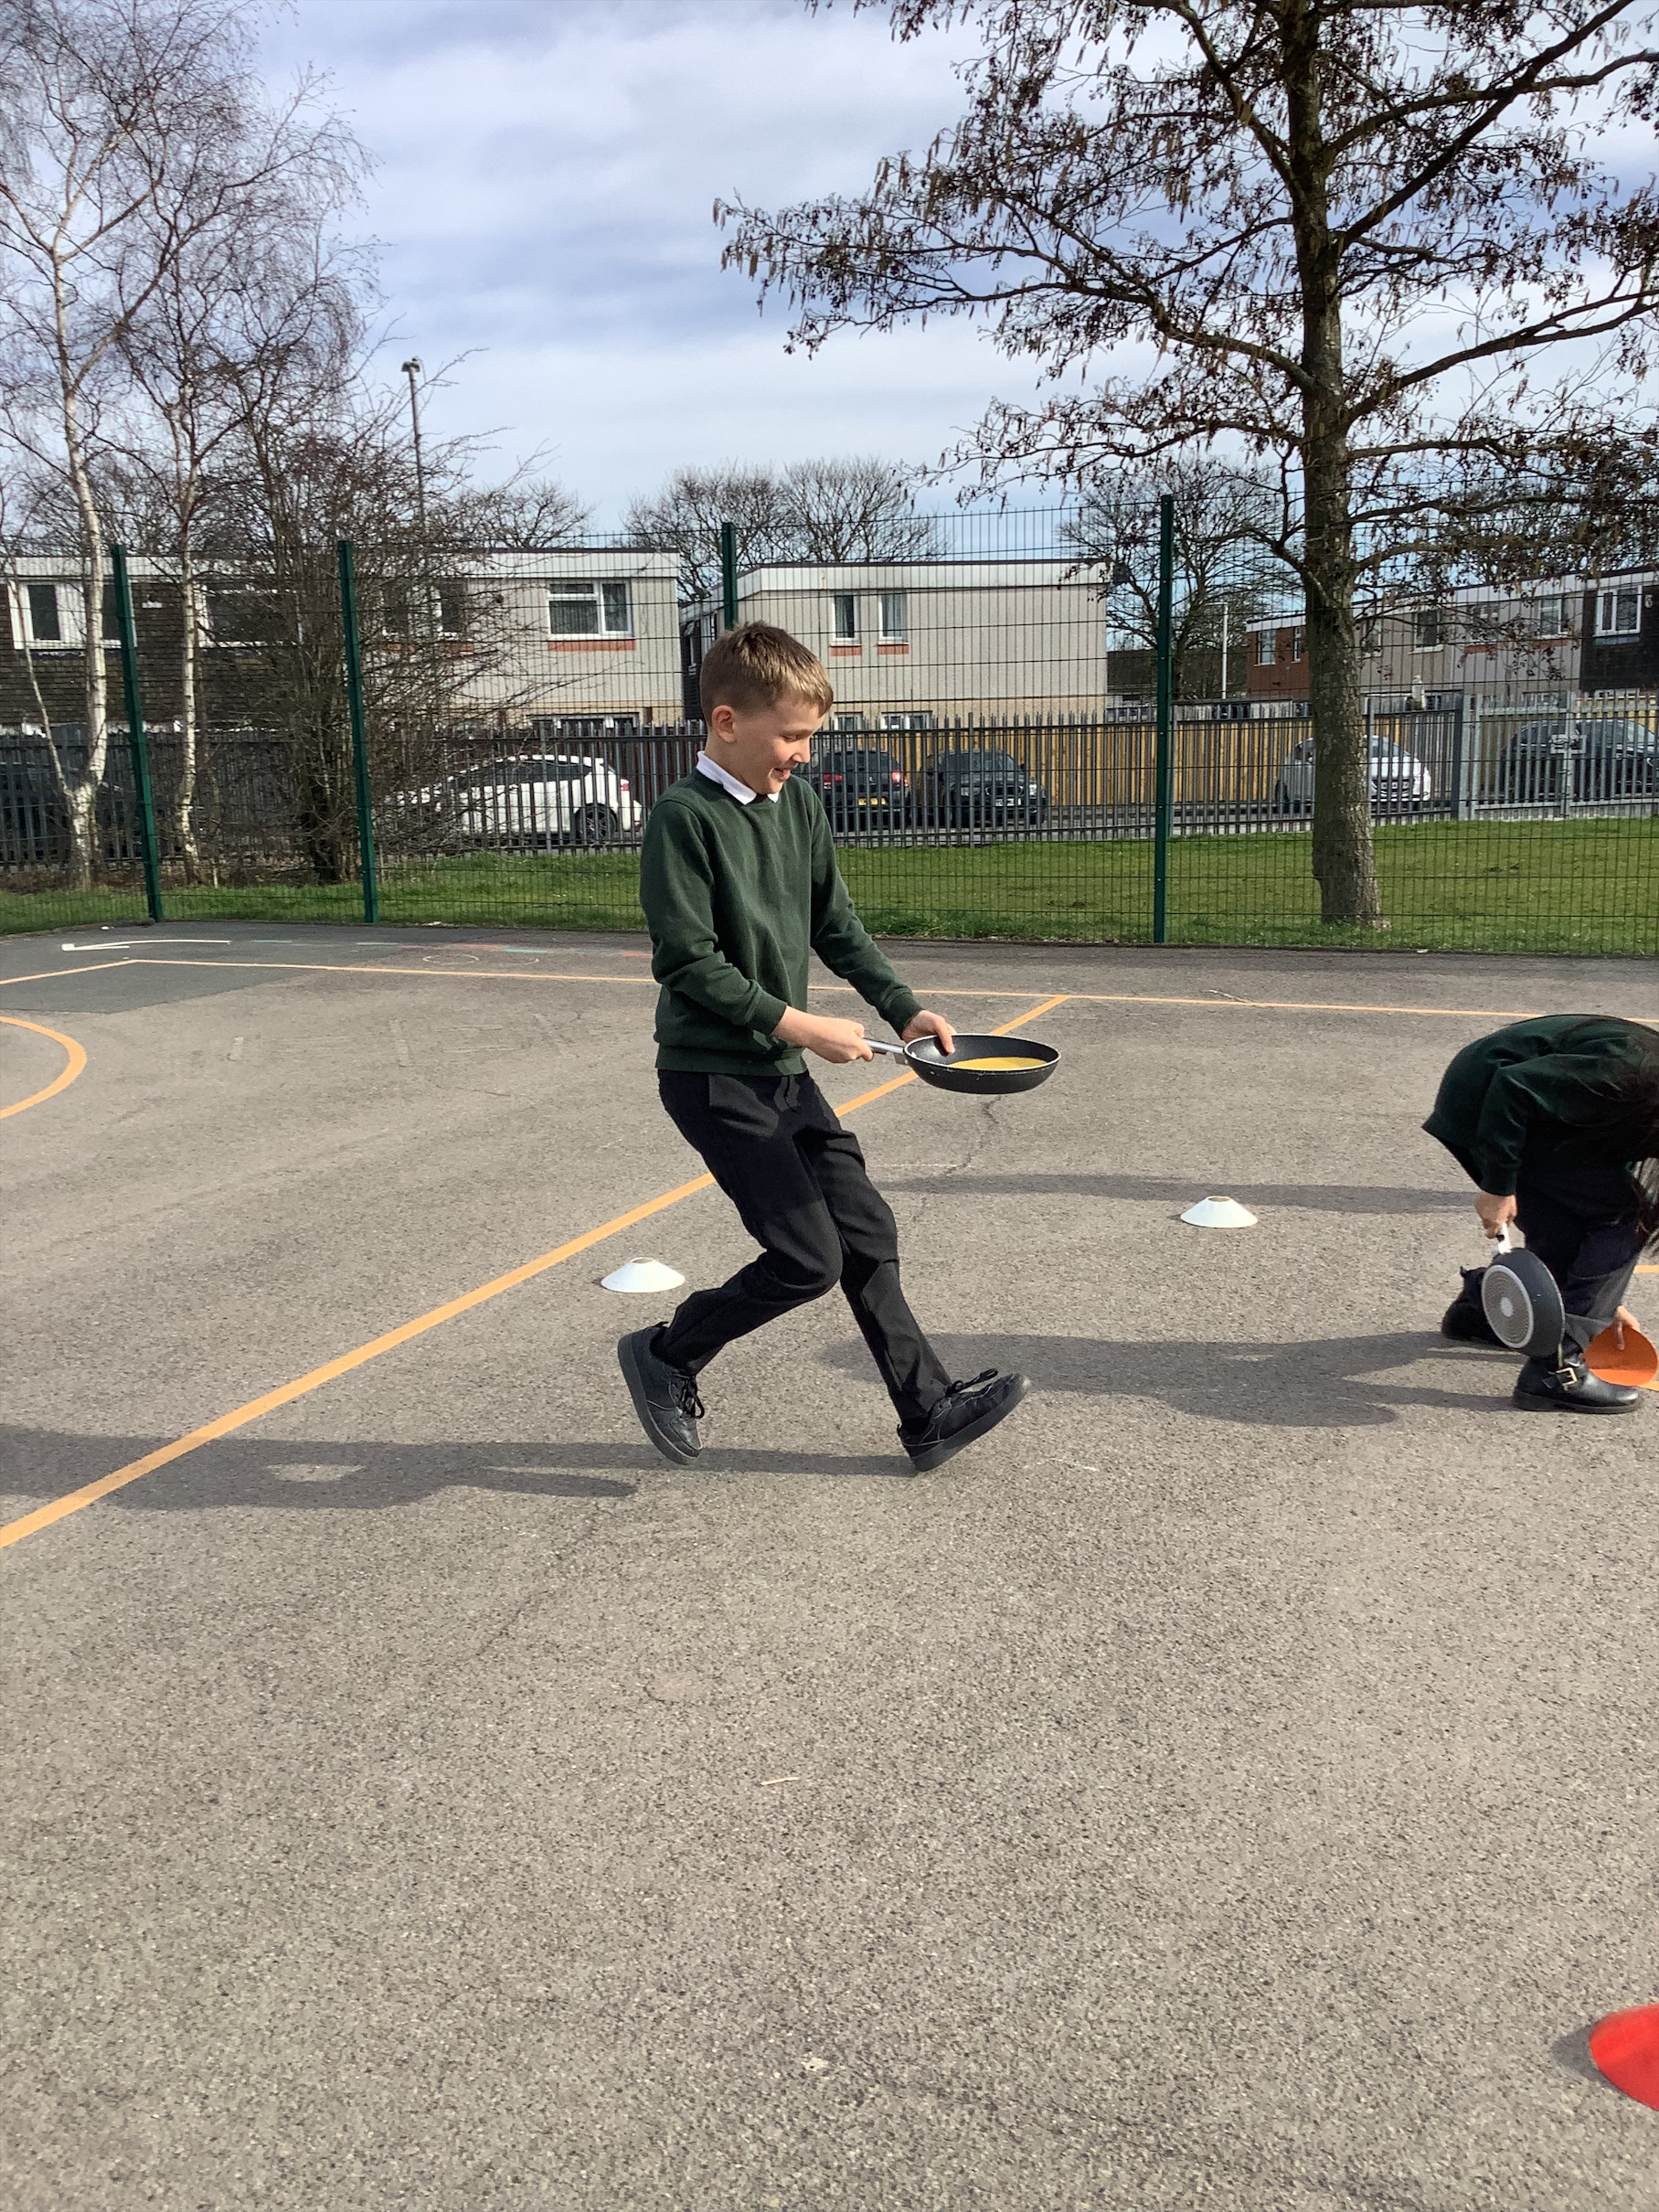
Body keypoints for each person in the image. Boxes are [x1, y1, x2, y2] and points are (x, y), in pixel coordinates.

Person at [617, 622, 1030, 1473]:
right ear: (727, 722)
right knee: (807, 1260)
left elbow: (834, 924)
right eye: (792, 736)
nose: (803, 754)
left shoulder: (797, 807)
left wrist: (901, 1009)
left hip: (778, 1072)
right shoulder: (683, 819)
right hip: (712, 1076)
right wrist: (803, 1026)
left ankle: (928, 1411)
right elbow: (688, 962)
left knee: (865, 1230)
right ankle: (666, 1352)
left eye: (810, 736)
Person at [1426, 1013, 1659, 1413]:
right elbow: (1513, 1085)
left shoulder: (1643, 1094)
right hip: (1488, 1102)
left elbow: (1606, 1151)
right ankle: (1558, 1369)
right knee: (1626, 1217)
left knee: (1564, 1228)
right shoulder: (1632, 1072)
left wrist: (1602, 1302)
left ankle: (1482, 1311)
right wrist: (1498, 1186)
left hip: (1509, 1108)